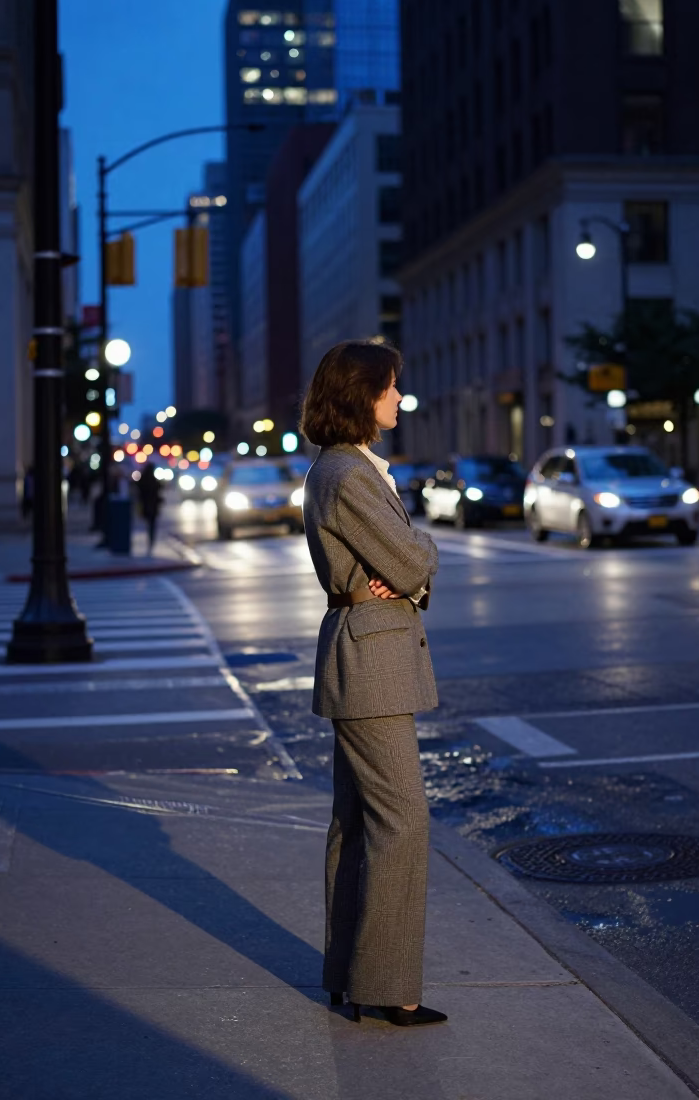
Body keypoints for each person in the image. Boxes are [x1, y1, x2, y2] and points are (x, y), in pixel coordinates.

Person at [299, 339, 446, 1028]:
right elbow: (414, 564)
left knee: (358, 824)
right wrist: (414, 564)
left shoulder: (347, 468)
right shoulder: (349, 476)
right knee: (402, 820)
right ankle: (388, 988)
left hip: (367, 653)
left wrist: (406, 568)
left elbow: (405, 567)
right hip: (372, 663)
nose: (399, 398)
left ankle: (349, 975)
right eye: (391, 387)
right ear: (362, 393)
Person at [137, 462, 162, 553]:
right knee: (151, 525)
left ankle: (150, 541)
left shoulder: (143, 480)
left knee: (149, 524)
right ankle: (151, 541)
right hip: (152, 506)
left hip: (147, 505)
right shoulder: (153, 481)